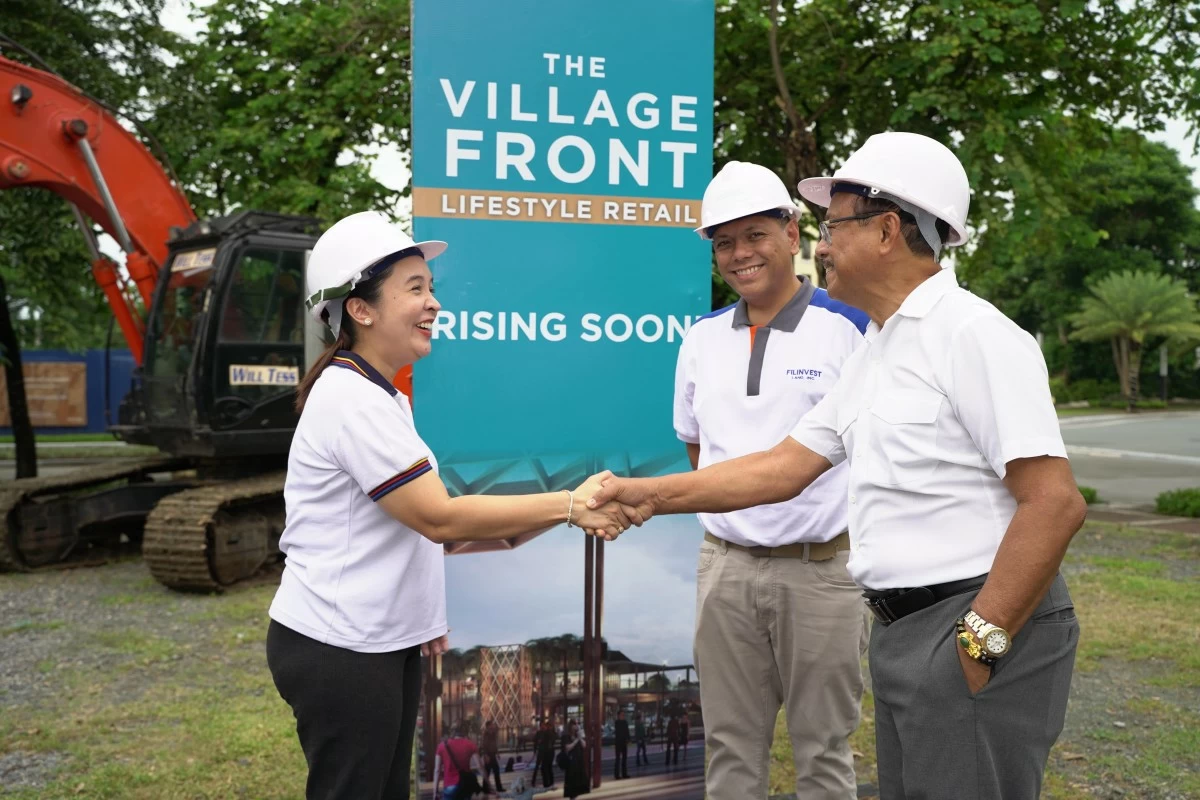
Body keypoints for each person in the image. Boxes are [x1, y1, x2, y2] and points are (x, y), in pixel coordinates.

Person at [586, 132, 1087, 800]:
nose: (820, 246)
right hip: (905, 630)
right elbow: (780, 469)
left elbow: (1054, 503)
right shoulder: (878, 347)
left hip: (969, 622)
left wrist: (978, 647)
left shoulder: (974, 335)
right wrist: (644, 494)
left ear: (886, 231)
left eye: (830, 227)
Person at [265, 211, 636, 800]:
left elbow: (435, 530)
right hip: (343, 649)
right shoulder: (351, 399)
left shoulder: (377, 394)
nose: (433, 303)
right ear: (360, 309)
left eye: (430, 287)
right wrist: (567, 504)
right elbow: (438, 517)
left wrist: (565, 515)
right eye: (414, 289)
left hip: (377, 643)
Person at [675, 160, 870, 799]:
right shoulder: (701, 338)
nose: (740, 254)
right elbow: (699, 454)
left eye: (755, 235)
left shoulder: (851, 327)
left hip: (822, 573)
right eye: (724, 243)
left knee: (823, 752)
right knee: (730, 749)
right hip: (725, 568)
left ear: (792, 232)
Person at [434, 721, 481, 800]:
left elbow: (437, 770)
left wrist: (435, 792)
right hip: (465, 785)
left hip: (449, 785)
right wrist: (488, 783)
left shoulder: (442, 746)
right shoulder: (470, 745)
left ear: (452, 731)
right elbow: (479, 766)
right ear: (464, 731)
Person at [561, 719, 590, 798]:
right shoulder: (566, 736)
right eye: (575, 724)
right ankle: (572, 797)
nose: (577, 726)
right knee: (572, 782)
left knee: (579, 781)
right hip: (571, 762)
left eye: (578, 724)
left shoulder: (578, 735)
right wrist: (577, 740)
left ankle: (575, 796)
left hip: (579, 760)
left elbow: (584, 746)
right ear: (570, 726)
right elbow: (567, 748)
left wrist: (580, 738)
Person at [533, 718, 555, 788]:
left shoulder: (548, 733)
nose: (543, 727)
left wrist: (541, 741)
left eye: (544, 725)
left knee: (546, 768)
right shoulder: (539, 733)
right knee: (539, 767)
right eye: (542, 726)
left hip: (547, 753)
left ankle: (548, 783)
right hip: (541, 752)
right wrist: (535, 750)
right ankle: (534, 781)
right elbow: (535, 742)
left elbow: (551, 742)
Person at [482, 719, 503, 792]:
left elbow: (494, 744)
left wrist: (497, 753)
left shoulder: (493, 733)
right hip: (488, 755)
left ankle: (499, 788)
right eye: (492, 724)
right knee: (487, 772)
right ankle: (485, 789)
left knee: (496, 771)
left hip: (493, 755)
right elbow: (484, 745)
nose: (493, 725)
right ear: (488, 726)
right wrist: (485, 755)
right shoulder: (485, 734)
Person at [613, 709, 630, 779]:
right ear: (618, 715)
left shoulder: (625, 722)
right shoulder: (617, 723)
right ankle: (617, 775)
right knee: (618, 759)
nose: (623, 716)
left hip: (624, 742)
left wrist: (628, 739)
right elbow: (619, 732)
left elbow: (627, 731)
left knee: (624, 758)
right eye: (622, 715)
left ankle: (624, 773)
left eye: (624, 715)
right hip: (618, 742)